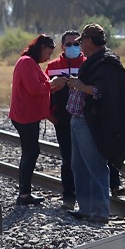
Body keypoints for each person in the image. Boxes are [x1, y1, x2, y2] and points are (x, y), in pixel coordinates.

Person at [53, 23, 125, 224]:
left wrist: (81, 86)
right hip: (78, 119)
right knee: (78, 165)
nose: (79, 47)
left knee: (96, 166)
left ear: (89, 41)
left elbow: (104, 92)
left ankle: (99, 213)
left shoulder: (107, 63)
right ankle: (86, 208)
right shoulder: (93, 61)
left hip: (92, 121)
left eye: (81, 42)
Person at [8, 33, 62, 205]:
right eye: (49, 52)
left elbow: (39, 87)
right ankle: (24, 194)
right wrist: (53, 84)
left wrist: (51, 86)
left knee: (30, 152)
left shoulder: (31, 63)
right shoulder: (27, 63)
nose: (49, 57)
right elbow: (34, 89)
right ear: (41, 48)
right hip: (25, 115)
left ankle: (24, 192)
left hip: (28, 114)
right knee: (31, 152)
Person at [45, 30, 84, 209]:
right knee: (68, 159)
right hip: (62, 120)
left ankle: (86, 197)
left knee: (85, 158)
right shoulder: (52, 66)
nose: (73, 47)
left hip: (85, 120)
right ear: (62, 46)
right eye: (69, 44)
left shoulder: (88, 64)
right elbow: (43, 92)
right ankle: (68, 197)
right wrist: (51, 116)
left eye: (77, 44)